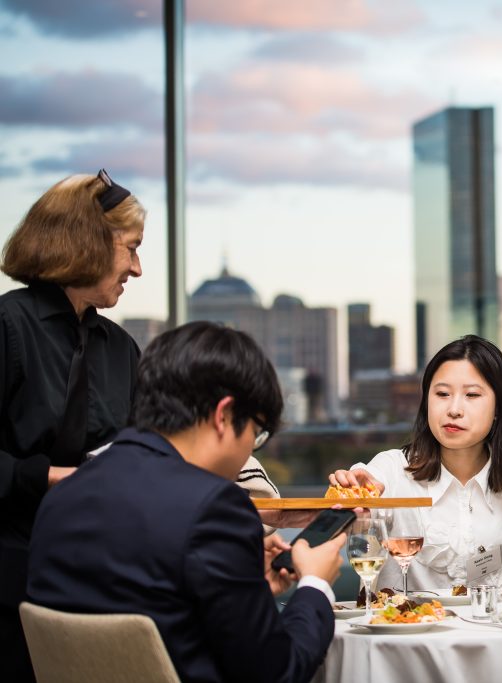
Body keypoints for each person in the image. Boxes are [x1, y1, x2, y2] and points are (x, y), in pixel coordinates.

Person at [27, 322, 346, 682]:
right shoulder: (215, 507)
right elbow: (277, 674)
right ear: (224, 415)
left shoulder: (63, 496)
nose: (248, 452)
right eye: (256, 433)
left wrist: (242, 582)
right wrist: (315, 585)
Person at [0, 170, 145, 681]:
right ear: (86, 242)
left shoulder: (121, 349)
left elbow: (145, 455)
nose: (138, 268)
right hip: (10, 582)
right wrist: (48, 477)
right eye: (131, 248)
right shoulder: (7, 327)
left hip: (97, 581)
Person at [330, 335, 502, 591]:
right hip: (405, 629)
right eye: (442, 394)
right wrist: (356, 493)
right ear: (427, 402)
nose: (454, 409)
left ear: (499, 407)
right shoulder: (393, 470)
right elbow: (365, 494)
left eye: (472, 395)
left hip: (491, 631)